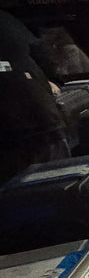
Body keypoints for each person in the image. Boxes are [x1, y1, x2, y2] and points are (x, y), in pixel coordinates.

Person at [0, 10, 70, 183]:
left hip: (14, 133)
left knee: (24, 197)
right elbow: (39, 49)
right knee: (59, 187)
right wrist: (53, 80)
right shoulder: (6, 19)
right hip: (43, 117)